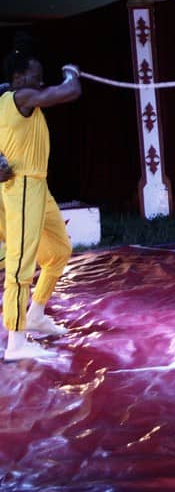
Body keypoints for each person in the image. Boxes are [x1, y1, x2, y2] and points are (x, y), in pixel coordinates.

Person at [1, 50, 81, 360]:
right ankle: (16, 341)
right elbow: (69, 92)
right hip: (22, 188)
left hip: (38, 187)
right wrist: (72, 73)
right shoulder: (21, 97)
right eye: (36, 76)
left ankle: (35, 314)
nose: (41, 81)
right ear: (19, 78)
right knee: (20, 264)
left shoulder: (10, 99)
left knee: (59, 251)